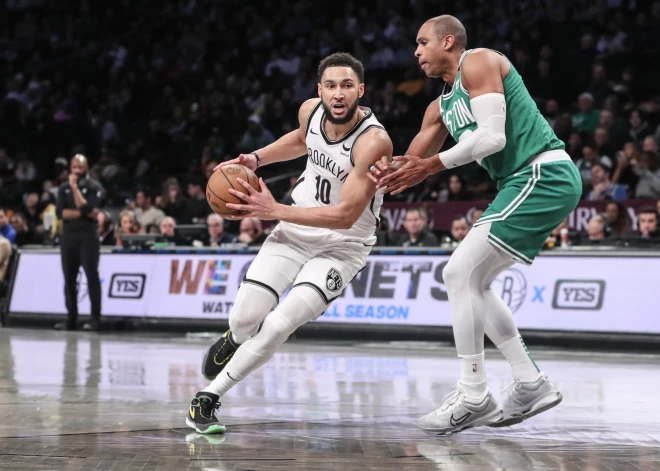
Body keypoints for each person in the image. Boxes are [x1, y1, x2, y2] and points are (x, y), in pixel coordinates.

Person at [369, 16, 581, 435]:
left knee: (457, 271)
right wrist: (370, 168)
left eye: (422, 42)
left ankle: (473, 394)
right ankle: (529, 382)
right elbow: (410, 164)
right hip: (523, 182)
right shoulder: (439, 107)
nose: (415, 52)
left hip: (542, 174)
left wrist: (431, 165)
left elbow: (492, 138)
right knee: (474, 283)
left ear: (448, 42)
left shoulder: (478, 61)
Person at [186, 52, 392, 435]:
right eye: (330, 85)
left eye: (347, 85)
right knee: (247, 318)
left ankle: (208, 398)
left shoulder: (373, 142)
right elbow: (301, 140)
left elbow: (346, 214)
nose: (338, 93)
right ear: (319, 90)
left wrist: (274, 208)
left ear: (361, 90)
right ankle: (235, 337)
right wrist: (255, 158)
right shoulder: (310, 112)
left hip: (343, 246)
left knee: (281, 323)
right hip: (296, 231)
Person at [55, 155, 104, 331]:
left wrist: (75, 188)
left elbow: (90, 210)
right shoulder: (62, 188)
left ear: (87, 168)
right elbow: (61, 213)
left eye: (80, 168)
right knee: (69, 277)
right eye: (74, 167)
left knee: (91, 276)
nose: (76, 171)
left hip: (88, 236)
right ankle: (71, 318)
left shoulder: (95, 187)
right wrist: (83, 212)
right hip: (68, 236)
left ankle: (95, 318)